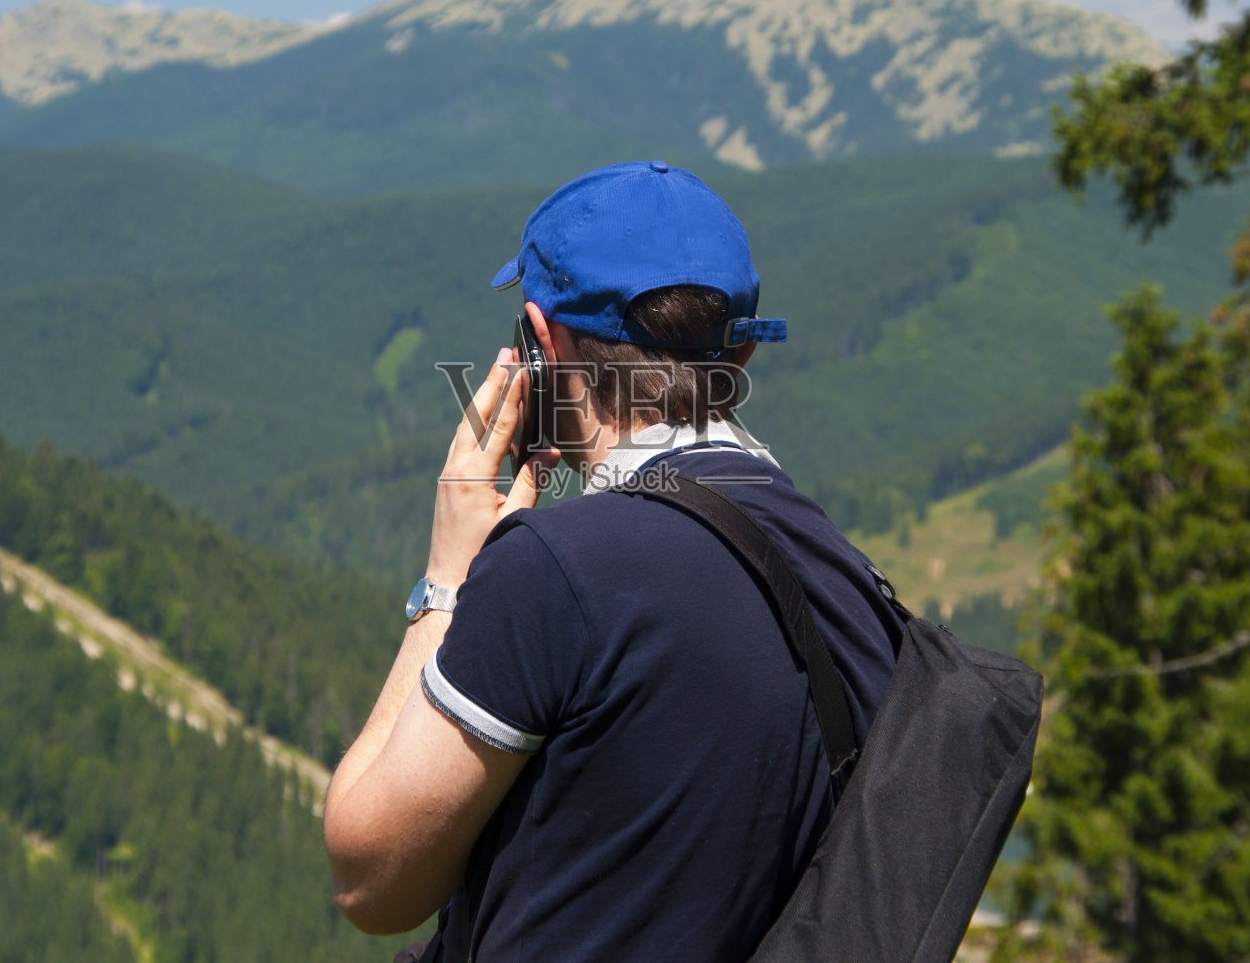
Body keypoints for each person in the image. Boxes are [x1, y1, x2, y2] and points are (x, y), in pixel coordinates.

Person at [323, 160, 905, 962]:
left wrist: (448, 579)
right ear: (740, 356)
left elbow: (369, 878)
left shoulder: (556, 569)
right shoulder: (848, 578)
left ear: (539, 343)